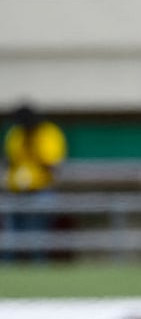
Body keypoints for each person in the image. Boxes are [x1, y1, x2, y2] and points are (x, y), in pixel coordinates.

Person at [2, 103, 67, 262]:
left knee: (38, 231)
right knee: (13, 232)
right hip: (16, 189)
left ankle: (38, 264)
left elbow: (52, 164)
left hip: (41, 189)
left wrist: (32, 147)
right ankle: (11, 267)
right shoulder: (15, 133)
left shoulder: (48, 132)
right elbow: (9, 160)